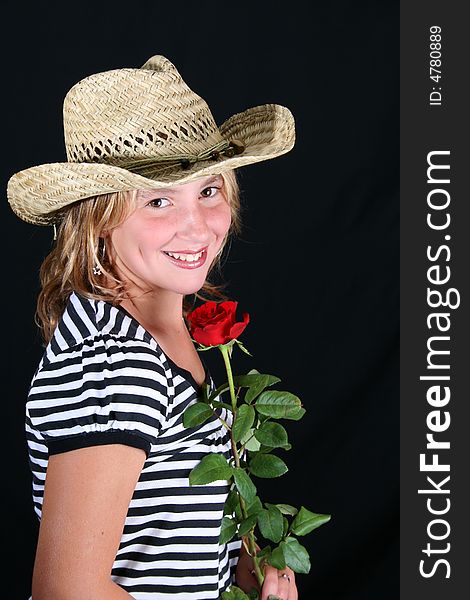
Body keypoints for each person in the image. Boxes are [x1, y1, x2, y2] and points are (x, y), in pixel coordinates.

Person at [7, 54, 297, 600]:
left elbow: (168, 525)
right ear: (96, 219)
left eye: (208, 191)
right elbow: (68, 593)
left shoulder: (158, 334)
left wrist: (239, 568)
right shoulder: (114, 360)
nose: (196, 226)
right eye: (159, 200)